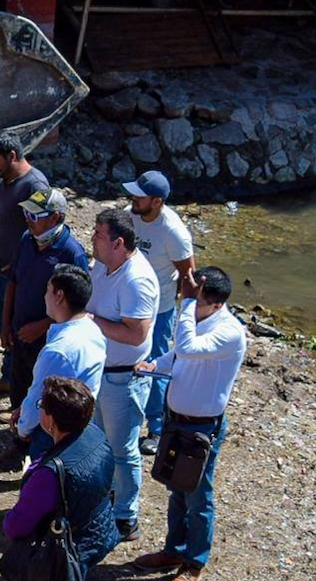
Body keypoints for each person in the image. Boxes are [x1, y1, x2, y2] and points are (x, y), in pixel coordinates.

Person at [131, 267, 246, 581]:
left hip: (203, 427)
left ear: (217, 304)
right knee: (177, 490)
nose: (192, 307)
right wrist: (154, 365)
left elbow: (187, 348)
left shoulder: (229, 331)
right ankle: (174, 550)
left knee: (198, 495)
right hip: (177, 420)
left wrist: (187, 302)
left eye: (198, 302)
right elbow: (176, 355)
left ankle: (194, 563)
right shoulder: (199, 320)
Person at [87, 208, 159, 542]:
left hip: (122, 379)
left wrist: (91, 322)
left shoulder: (136, 279)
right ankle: (105, 503)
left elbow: (136, 335)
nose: (92, 239)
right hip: (101, 373)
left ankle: (126, 517)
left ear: (118, 243)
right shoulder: (103, 265)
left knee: (123, 450)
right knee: (100, 445)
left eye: (98, 235)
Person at [3, 377, 118, 581]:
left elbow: (17, 526)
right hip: (99, 529)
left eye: (41, 405)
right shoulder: (96, 434)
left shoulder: (50, 474)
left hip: (67, 548)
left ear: (51, 419)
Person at [0, 188, 88, 425]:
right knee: (19, 391)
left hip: (48, 342)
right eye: (26, 214)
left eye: (34, 215)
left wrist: (41, 326)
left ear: (56, 217)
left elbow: (79, 308)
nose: (28, 220)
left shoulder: (72, 253)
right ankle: (18, 433)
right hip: (20, 336)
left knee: (43, 398)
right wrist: (5, 325)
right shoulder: (27, 240)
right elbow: (13, 282)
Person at [126, 171, 195, 456]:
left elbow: (188, 276)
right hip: (128, 302)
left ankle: (157, 427)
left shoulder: (173, 232)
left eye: (140, 196)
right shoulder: (130, 215)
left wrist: (189, 315)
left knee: (156, 364)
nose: (133, 198)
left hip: (161, 309)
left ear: (157, 201)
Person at [0, 132, 50, 397]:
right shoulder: (4, 182)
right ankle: (8, 378)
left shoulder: (36, 185)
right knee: (4, 328)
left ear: (12, 156)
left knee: (20, 332)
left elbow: (43, 229)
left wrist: (18, 263)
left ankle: (23, 392)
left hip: (17, 275)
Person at [12, 265, 106, 461]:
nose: (44, 296)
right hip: (80, 427)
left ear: (60, 296)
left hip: (52, 435)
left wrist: (22, 429)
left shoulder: (59, 351)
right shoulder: (93, 331)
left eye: (48, 290)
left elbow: (39, 398)